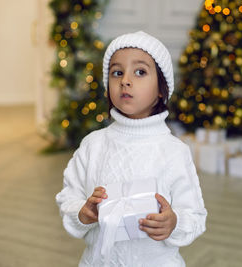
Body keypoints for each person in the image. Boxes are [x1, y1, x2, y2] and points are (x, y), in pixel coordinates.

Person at [55, 31, 207, 267]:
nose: (125, 80)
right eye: (117, 72)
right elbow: (68, 197)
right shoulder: (93, 145)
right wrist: (82, 212)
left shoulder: (174, 152)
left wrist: (173, 222)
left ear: (161, 88)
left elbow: (195, 216)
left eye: (140, 72)